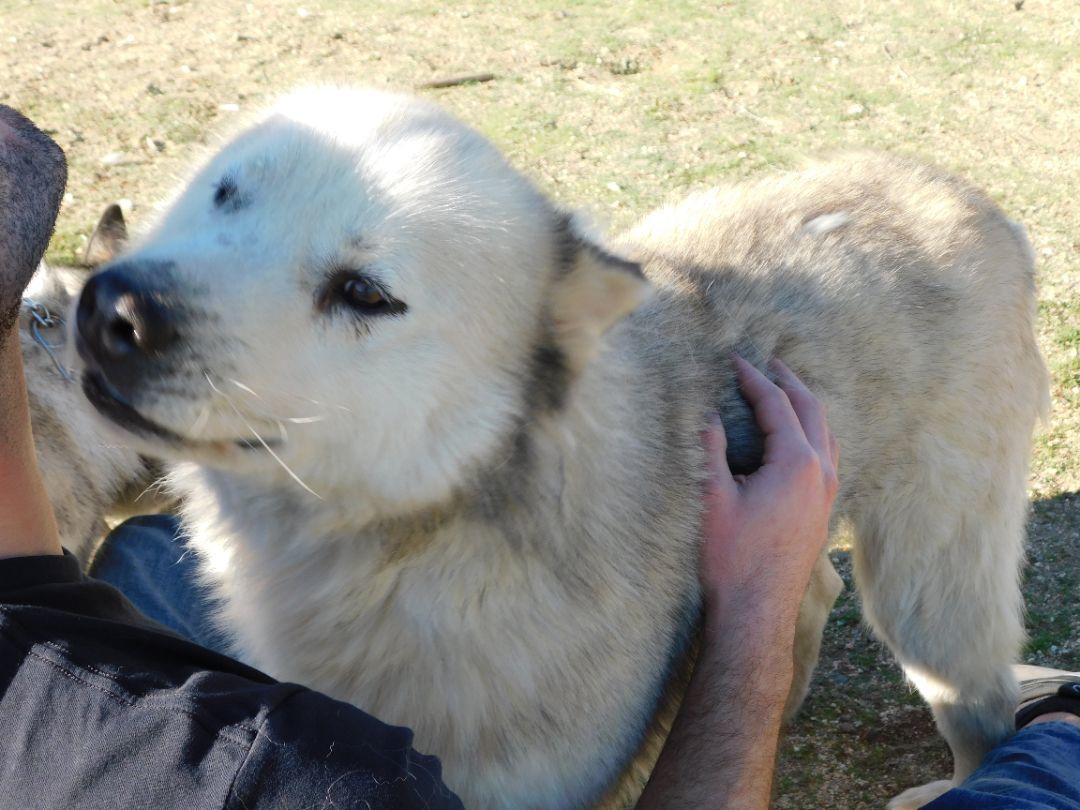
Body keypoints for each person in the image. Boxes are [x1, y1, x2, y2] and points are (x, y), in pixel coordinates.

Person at [0, 104, 1075, 809]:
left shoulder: (86, 650)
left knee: (947, 644)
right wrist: (757, 609)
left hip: (932, 289)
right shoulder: (215, 756)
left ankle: (1002, 742)